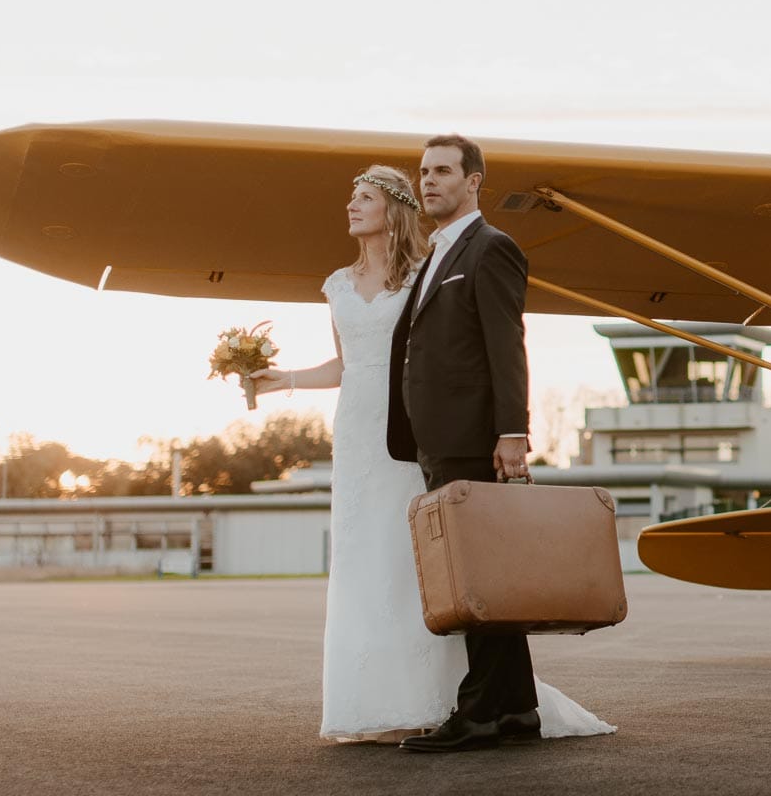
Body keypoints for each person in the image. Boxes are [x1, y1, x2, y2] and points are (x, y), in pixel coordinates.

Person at [253, 161, 610, 746]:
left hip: (416, 432)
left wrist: (504, 426)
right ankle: (375, 702)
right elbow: (346, 365)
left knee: (419, 560)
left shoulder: (426, 272)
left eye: (362, 196)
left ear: (391, 208)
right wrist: (283, 377)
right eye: (351, 196)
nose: (350, 206)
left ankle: (442, 697)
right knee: (363, 560)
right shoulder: (337, 284)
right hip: (356, 432)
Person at [389, 134, 567, 753]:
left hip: (474, 440)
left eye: (442, 171)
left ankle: (481, 714)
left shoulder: (492, 248)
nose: (428, 181)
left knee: (476, 581)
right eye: (423, 172)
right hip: (439, 439)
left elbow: (505, 344)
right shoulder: (435, 253)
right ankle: (516, 710)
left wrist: (512, 432)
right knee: (481, 576)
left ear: (474, 182)